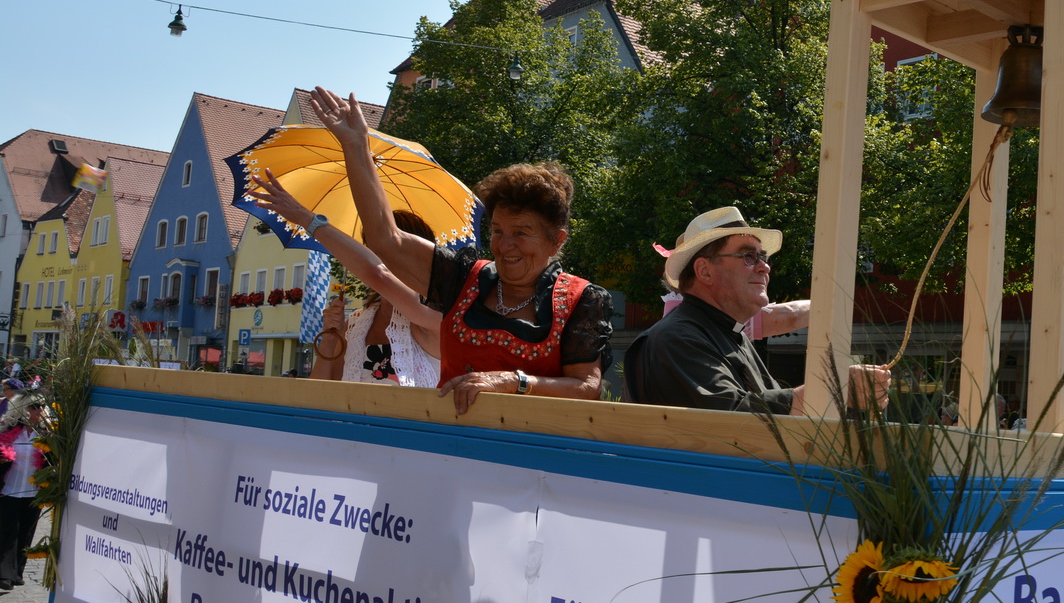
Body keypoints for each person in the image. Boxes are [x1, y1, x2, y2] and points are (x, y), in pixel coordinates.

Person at [309, 87, 611, 415]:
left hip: (533, 456)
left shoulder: (582, 299)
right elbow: (386, 241)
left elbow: (586, 387)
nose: (505, 245)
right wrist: (356, 146)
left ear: (557, 241)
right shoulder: (460, 277)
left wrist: (513, 381)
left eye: (521, 233)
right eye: (497, 231)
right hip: (453, 451)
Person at [624, 207, 887, 414]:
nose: (765, 267)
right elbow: (731, 424)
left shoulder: (725, 333)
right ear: (704, 270)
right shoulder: (678, 337)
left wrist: (848, 393)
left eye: (763, 257)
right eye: (748, 257)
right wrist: (831, 389)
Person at [254, 172, 444, 388]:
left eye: (384, 249)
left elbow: (378, 274)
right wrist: (330, 338)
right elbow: (320, 390)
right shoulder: (357, 322)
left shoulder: (433, 317)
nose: (372, 255)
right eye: (368, 248)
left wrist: (307, 219)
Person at [0, 388, 47, 592]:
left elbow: (52, 461)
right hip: (9, 490)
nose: (39, 411)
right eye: (34, 407)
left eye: (41, 407)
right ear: (22, 409)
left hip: (33, 492)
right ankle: (5, 575)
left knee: (27, 533)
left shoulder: (45, 435)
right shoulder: (8, 431)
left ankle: (18, 572)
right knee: (9, 532)